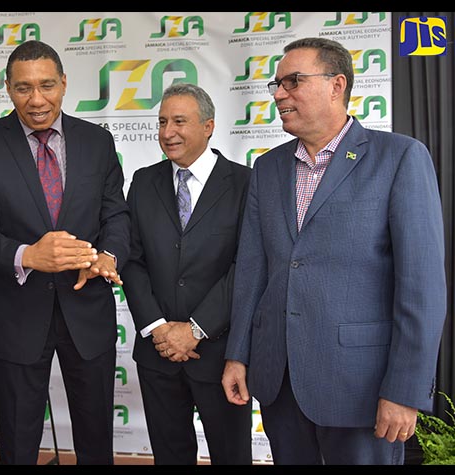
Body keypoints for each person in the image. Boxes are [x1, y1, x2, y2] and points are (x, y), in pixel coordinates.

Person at [221, 37, 447, 465]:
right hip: (279, 383)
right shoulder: (267, 168)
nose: (279, 94)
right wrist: (238, 354)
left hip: (362, 388)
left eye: (293, 81)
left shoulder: (399, 157)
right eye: (277, 85)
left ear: (336, 84)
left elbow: (421, 287)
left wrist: (405, 389)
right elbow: (252, 271)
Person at [0, 40, 130, 465]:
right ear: (7, 88)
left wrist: (108, 256)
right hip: (16, 316)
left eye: (47, 85)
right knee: (17, 443)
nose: (37, 100)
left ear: (65, 83)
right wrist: (27, 256)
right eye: (23, 88)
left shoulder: (97, 142)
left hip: (87, 314)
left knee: (96, 442)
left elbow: (117, 217)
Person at [121, 83, 252, 465]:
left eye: (179, 121)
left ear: (209, 126)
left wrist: (194, 329)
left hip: (220, 355)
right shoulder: (143, 181)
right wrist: (158, 328)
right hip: (157, 353)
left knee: (232, 456)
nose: (167, 132)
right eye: (162, 122)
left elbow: (246, 266)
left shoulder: (245, 183)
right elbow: (131, 260)